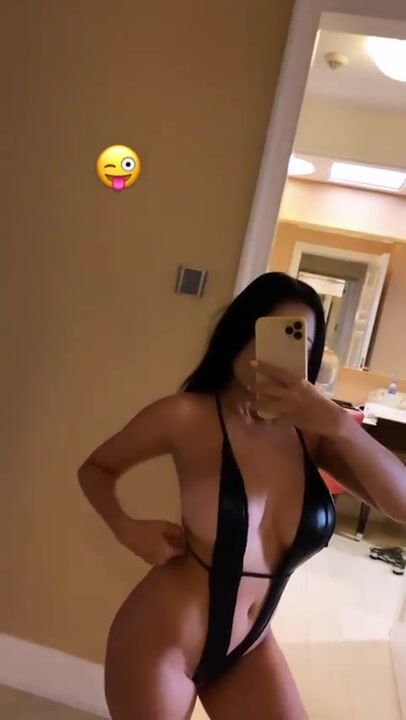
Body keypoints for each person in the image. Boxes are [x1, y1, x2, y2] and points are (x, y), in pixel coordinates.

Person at [78, 272, 406, 720]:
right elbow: (95, 469)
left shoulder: (312, 436)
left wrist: (336, 423)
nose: (273, 355)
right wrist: (126, 528)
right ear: (237, 334)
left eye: (298, 341)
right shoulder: (184, 416)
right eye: (266, 334)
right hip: (162, 640)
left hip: (249, 647)